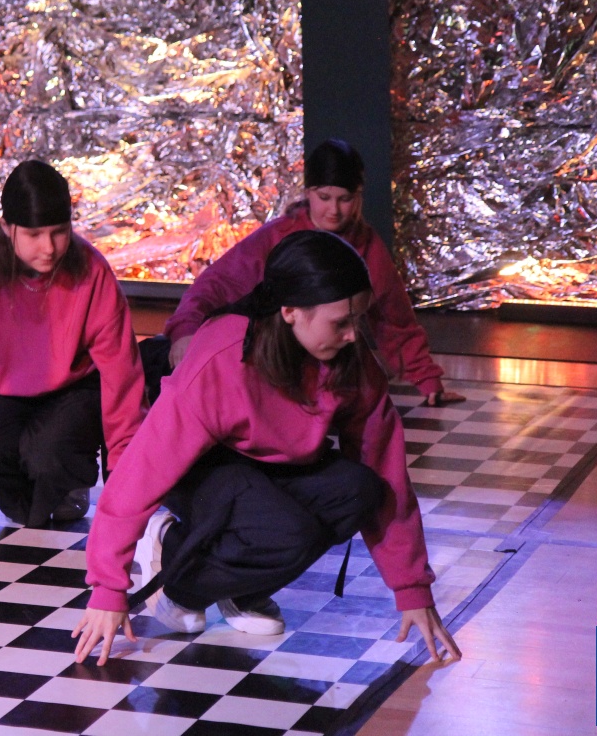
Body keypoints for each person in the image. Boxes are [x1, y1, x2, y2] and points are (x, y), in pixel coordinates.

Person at [72, 229, 462, 666]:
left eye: (359, 320)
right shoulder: (222, 357)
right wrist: (108, 588)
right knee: (286, 531)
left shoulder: (351, 363)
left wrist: (412, 589)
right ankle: (175, 567)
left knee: (361, 490)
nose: (355, 335)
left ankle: (242, 589)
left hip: (273, 465)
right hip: (202, 467)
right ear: (290, 311)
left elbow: (386, 470)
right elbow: (141, 473)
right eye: (341, 322)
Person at [0, 161, 147, 536]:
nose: (48, 248)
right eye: (34, 234)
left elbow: (122, 379)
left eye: (59, 232)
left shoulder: (92, 272)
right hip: (0, 392)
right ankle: (33, 508)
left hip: (74, 391)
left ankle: (62, 491)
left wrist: (125, 474)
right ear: (6, 228)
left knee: (49, 452)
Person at [162, 139, 461, 407]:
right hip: (270, 363)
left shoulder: (368, 247)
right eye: (324, 197)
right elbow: (216, 284)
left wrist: (427, 381)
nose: (334, 210)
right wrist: (185, 330)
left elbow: (394, 319)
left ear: (359, 197)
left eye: (345, 199)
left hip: (332, 369)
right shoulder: (278, 236)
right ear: (308, 193)